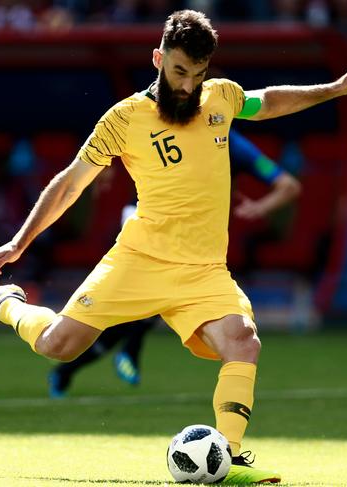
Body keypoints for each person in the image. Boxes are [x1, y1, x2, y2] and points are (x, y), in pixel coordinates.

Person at [0, 9, 347, 483]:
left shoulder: (221, 97)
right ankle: (8, 305)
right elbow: (71, 183)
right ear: (158, 59)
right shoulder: (125, 118)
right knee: (58, 345)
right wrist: (18, 241)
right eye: (178, 72)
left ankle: (229, 459)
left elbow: (267, 101)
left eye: (197, 75)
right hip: (139, 259)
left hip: (204, 271)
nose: (187, 85)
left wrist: (335, 88)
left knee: (243, 342)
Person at [47, 128, 301, 398]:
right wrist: (103, 169)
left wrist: (259, 208)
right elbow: (118, 139)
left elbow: (289, 185)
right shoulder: (172, 124)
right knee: (149, 296)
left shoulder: (234, 146)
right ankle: (129, 349)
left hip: (193, 242)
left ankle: (75, 368)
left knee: (143, 306)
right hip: (145, 226)